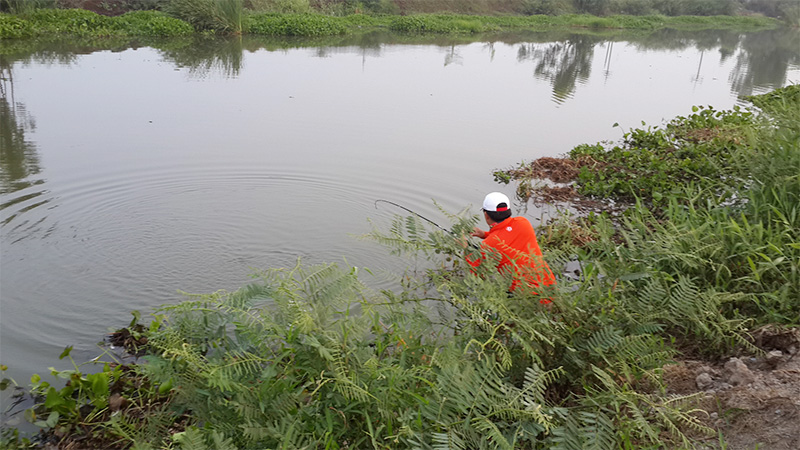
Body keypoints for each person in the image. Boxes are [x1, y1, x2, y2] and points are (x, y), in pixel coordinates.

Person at [467, 192, 556, 303]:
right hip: (551, 288)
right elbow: (507, 235)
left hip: (527, 300)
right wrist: (485, 234)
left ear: (486, 215)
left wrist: (466, 248)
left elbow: (476, 272)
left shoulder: (489, 245)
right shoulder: (523, 223)